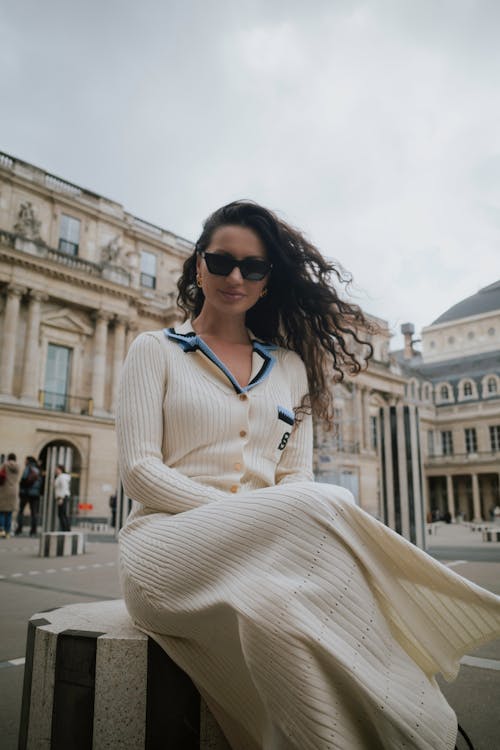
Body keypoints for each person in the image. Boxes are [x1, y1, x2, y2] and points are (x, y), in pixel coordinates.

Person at [116, 201, 500, 750]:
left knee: (279, 616)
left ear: (268, 281)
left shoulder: (290, 368)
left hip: (267, 550)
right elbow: (140, 473)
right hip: (162, 546)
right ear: (198, 265)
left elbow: (292, 478)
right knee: (323, 503)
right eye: (221, 261)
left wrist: (267, 516)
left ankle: (415, 734)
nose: (235, 277)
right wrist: (252, 514)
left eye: (253, 267)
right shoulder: (153, 350)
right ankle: (441, 677)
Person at [15, 456, 43, 537]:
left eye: (25, 460)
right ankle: (33, 530)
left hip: (26, 493)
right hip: (35, 494)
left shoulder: (28, 468)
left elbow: (24, 479)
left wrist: (21, 490)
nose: (24, 462)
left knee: (21, 511)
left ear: (28, 461)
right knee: (34, 512)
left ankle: (19, 528)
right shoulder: (38, 469)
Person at [0, 453, 20, 538]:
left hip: (4, 490)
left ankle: (2, 530)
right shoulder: (18, 467)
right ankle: (8, 532)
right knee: (9, 513)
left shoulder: (5, 465)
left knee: (1, 511)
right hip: (14, 491)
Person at [54, 464, 71, 531]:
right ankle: (65, 529)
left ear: (60, 469)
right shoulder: (60, 477)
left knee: (62, 514)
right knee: (62, 514)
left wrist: (61, 498)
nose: (55, 470)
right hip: (62, 496)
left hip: (62, 497)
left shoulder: (62, 477)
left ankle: (66, 529)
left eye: (57, 469)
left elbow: (64, 487)